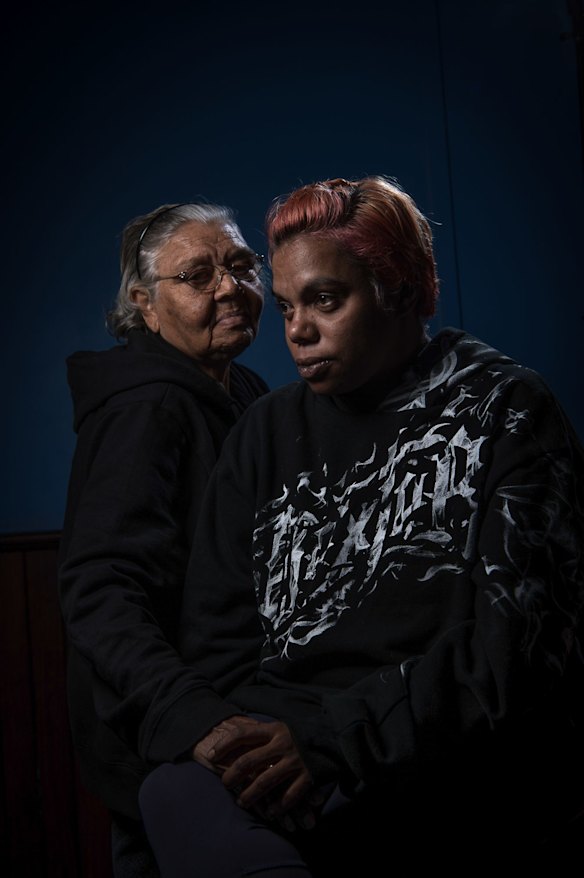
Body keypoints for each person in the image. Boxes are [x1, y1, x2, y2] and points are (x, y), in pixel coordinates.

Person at [137, 177, 584, 877]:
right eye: (285, 306)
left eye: (325, 299)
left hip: (434, 762)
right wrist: (259, 761)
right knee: (172, 792)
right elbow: (217, 642)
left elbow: (514, 656)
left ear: (400, 290)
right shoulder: (264, 431)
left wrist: (331, 746)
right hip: (286, 760)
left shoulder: (507, 408)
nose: (296, 330)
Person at [57, 200, 269, 877]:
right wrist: (192, 719)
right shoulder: (146, 407)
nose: (230, 287)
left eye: (240, 266)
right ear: (145, 307)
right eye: (197, 276)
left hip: (236, 716)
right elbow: (98, 589)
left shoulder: (246, 392)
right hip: (171, 738)